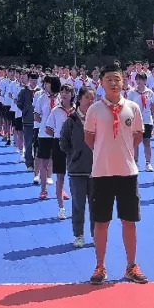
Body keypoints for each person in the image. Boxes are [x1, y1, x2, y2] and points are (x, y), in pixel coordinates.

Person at [83, 64, 148, 285]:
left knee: (129, 221)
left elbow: (137, 136)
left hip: (128, 172)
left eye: (117, 79)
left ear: (123, 82)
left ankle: (131, 266)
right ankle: (99, 266)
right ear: (100, 82)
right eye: (109, 79)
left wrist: (123, 154)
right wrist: (105, 154)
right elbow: (89, 139)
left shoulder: (132, 108)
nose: (113, 83)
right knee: (101, 222)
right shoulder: (94, 110)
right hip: (101, 173)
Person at [59, 87, 94, 247]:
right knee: (78, 205)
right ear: (79, 99)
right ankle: (79, 235)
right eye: (87, 97)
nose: (90, 101)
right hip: (77, 170)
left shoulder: (97, 119)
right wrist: (74, 155)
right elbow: (63, 143)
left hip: (96, 170)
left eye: (93, 98)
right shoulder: (71, 121)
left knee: (97, 205)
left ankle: (97, 235)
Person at [44, 85, 75, 220]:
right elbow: (48, 129)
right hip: (59, 145)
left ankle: (77, 206)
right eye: (62, 92)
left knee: (75, 177)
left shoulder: (77, 110)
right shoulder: (56, 110)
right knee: (60, 177)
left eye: (67, 92)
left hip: (75, 146)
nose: (64, 94)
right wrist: (60, 135)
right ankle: (61, 208)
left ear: (72, 94)